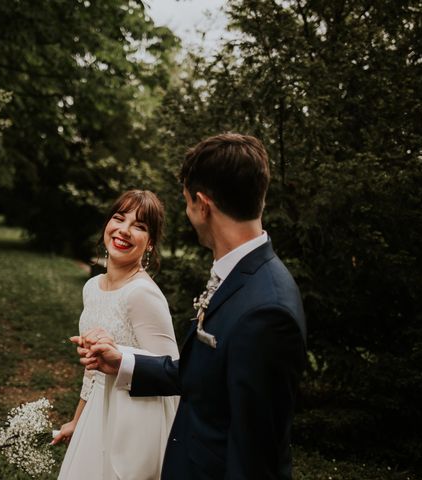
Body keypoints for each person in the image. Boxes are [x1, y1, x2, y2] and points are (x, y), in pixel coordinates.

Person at [76, 133, 307, 479]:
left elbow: (255, 457)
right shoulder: (236, 274)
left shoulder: (267, 310)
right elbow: (199, 373)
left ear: (202, 205)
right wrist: (122, 361)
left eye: (186, 202)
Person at [53, 190, 180, 480]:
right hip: (97, 415)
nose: (124, 230)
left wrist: (121, 356)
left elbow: (172, 371)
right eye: (119, 218)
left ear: (150, 244)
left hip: (133, 423)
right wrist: (77, 421)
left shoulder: (142, 295)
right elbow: (93, 372)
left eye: (140, 226)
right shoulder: (92, 287)